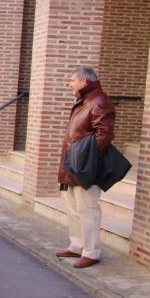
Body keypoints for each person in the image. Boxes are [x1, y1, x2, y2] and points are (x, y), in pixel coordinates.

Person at [55, 66, 115, 269]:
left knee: (87, 209)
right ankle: (77, 245)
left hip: (85, 167)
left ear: (84, 81)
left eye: (73, 80)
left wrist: (85, 159)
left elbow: (104, 135)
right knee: (74, 208)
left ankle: (91, 252)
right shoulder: (85, 101)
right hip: (73, 165)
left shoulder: (99, 101)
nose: (70, 84)